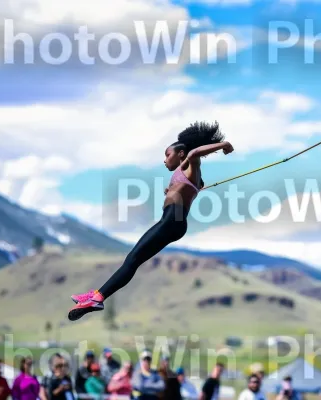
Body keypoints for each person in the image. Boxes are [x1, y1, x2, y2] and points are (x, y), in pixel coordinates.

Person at [68, 121, 234, 321]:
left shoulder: (191, 163)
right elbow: (187, 184)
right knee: (133, 259)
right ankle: (97, 296)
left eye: (167, 154)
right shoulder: (182, 172)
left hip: (174, 219)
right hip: (171, 220)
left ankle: (98, 298)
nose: (164, 160)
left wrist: (224, 145)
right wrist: (173, 189)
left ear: (180, 153)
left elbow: (194, 154)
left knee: (133, 259)